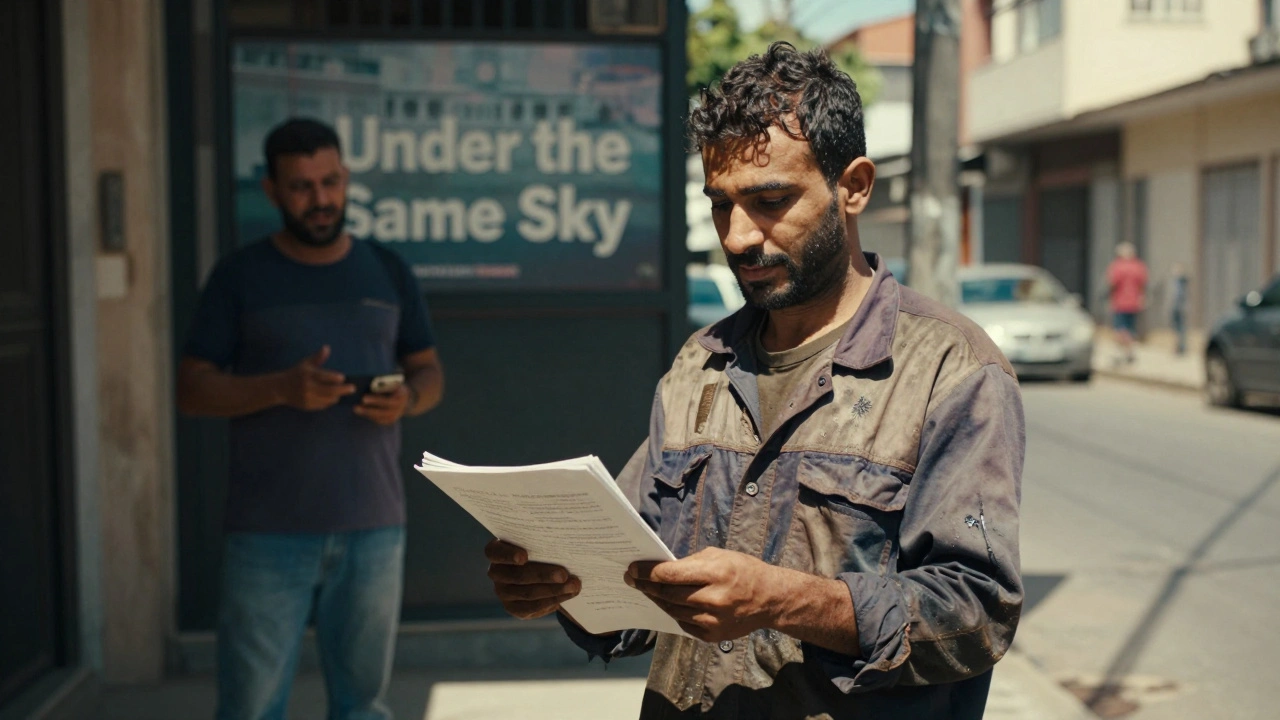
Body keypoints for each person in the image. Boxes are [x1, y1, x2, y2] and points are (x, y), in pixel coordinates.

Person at [484, 43, 1024, 718]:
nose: (738, 236)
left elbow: (977, 614)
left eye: (770, 200)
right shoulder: (698, 364)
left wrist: (785, 600)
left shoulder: (952, 370)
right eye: (721, 205)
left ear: (853, 186)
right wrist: (560, 586)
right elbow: (629, 585)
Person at [177, 118, 444, 720]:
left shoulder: (387, 268)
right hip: (266, 533)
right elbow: (191, 391)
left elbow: (429, 374)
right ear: (271, 190)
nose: (320, 200)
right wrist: (279, 388)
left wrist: (407, 399)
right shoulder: (239, 276)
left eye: (329, 182)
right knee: (250, 708)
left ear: (345, 178)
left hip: (373, 527)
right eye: (301, 187)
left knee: (362, 708)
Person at [1106, 242, 1149, 365]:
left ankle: (1122, 353)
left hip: (1120, 302)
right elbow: (1143, 284)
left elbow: (1112, 283)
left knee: (1120, 329)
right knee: (1131, 328)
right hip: (1134, 303)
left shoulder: (1118, 266)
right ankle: (1130, 351)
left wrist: (1110, 298)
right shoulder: (1139, 266)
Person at [1169, 262, 1189, 356]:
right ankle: (1178, 347)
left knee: (1181, 329)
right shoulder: (1175, 282)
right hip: (1176, 308)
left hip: (1180, 308)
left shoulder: (1181, 283)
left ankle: (1181, 347)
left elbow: (1179, 296)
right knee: (1176, 329)